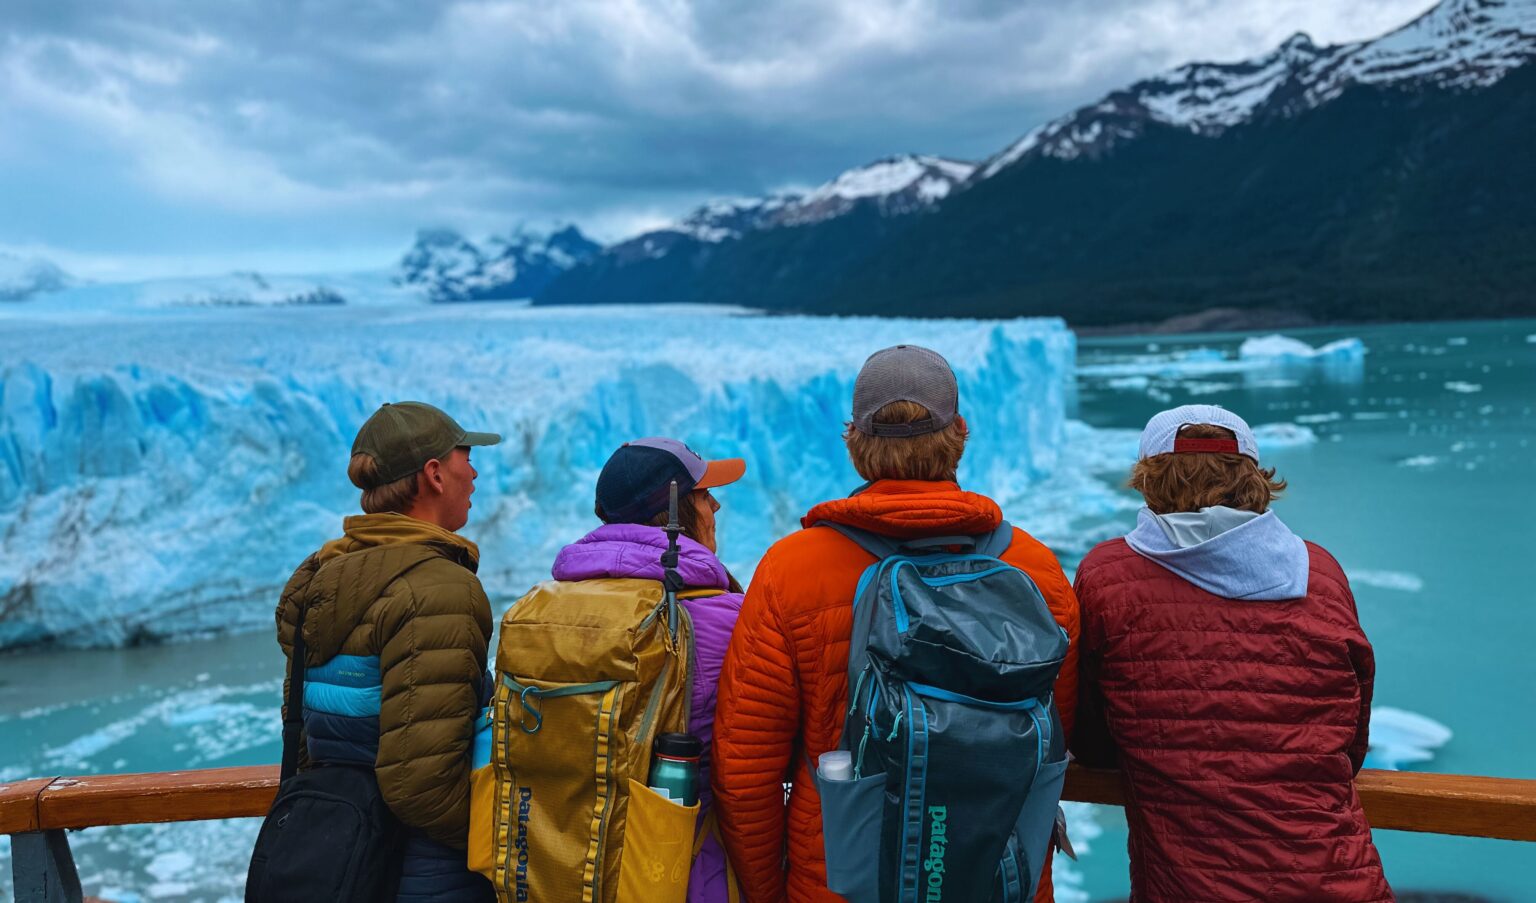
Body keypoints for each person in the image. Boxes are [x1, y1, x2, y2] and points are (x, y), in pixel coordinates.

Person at [712, 345, 1081, 903]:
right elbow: (1054, 737)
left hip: (845, 881)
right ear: (959, 432)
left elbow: (745, 772)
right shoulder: (1034, 568)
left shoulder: (792, 570)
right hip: (1001, 879)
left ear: (853, 441)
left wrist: (772, 892)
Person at [1070, 405, 1392, 902]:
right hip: (1338, 879)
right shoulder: (1318, 572)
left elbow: (1091, 740)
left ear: (1149, 478)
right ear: (1253, 476)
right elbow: (1349, 740)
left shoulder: (1108, 576)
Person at [274, 401, 501, 902]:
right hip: (424, 872)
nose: (476, 472)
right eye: (466, 457)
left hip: (340, 854)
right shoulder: (438, 589)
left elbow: (307, 737)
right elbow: (421, 784)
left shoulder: (322, 577)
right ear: (435, 474)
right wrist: (502, 843)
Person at [549, 436, 747, 903]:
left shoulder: (554, 607)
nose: (715, 504)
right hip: (684, 875)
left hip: (570, 865)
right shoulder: (727, 620)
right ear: (677, 513)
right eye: (703, 494)